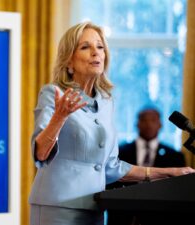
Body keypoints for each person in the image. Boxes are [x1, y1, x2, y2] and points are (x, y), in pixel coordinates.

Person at [29, 21, 194, 225]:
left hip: (95, 206)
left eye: (100, 47)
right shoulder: (53, 94)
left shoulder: (106, 102)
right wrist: (59, 118)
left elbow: (112, 167)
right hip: (57, 207)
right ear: (69, 62)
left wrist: (170, 172)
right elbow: (40, 153)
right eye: (85, 47)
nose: (96, 53)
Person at [106, 107, 185, 225]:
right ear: (137, 124)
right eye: (144, 120)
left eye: (153, 120)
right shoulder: (119, 152)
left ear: (160, 124)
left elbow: (179, 192)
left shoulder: (175, 156)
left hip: (161, 217)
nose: (149, 124)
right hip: (124, 216)